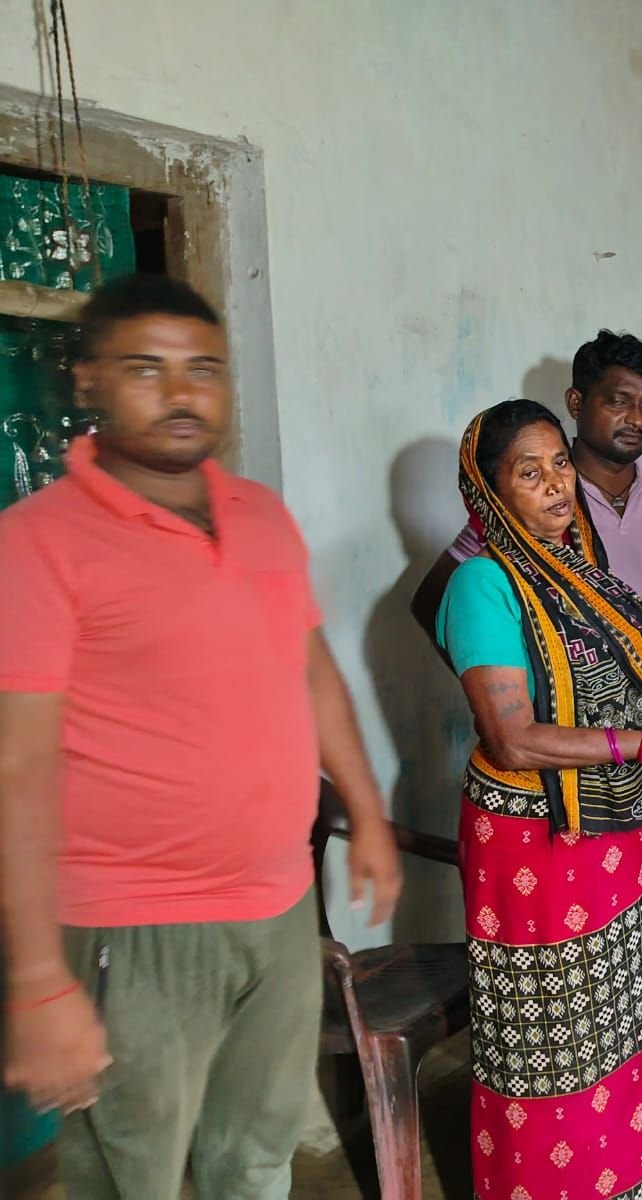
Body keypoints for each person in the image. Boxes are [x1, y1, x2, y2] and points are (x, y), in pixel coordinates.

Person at [0, 275, 402, 1198]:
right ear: (91, 379)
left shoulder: (261, 514)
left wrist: (368, 816)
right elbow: (17, 766)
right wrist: (37, 981)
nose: (181, 394)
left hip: (276, 907)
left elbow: (313, 675)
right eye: (146, 369)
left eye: (204, 369)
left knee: (255, 1158)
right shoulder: (39, 541)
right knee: (130, 1174)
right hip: (130, 924)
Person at [411, 331, 642, 1121]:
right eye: (528, 472)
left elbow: (595, 661)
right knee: (561, 1040)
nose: (553, 485)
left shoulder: (574, 563)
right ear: (488, 490)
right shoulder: (482, 582)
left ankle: (634, 1159)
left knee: (629, 1013)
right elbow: (513, 738)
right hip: (542, 833)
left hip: (619, 819)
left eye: (557, 467)